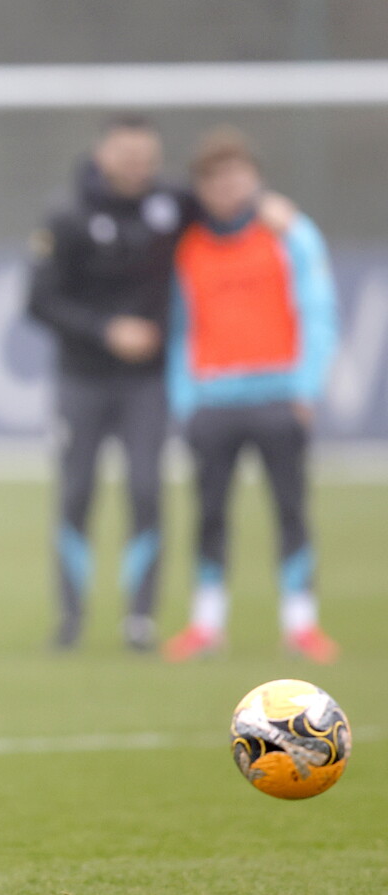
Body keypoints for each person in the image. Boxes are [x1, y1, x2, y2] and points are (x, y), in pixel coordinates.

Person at [162, 127, 338, 664]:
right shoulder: (187, 246)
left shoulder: (291, 236)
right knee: (210, 514)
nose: (228, 187)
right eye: (215, 178)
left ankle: (301, 624)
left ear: (256, 179)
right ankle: (208, 623)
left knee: (290, 510)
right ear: (201, 186)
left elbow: (319, 311)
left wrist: (306, 388)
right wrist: (185, 401)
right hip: (213, 399)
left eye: (238, 175)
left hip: (278, 394)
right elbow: (179, 329)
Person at [27, 115, 193, 652]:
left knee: (146, 491)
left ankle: (140, 620)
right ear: (103, 154)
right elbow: (40, 301)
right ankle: (70, 620)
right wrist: (105, 331)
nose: (138, 168)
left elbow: (227, 219)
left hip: (147, 383)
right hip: (83, 380)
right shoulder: (66, 214)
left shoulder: (174, 206)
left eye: (147, 158)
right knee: (77, 494)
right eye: (127, 156)